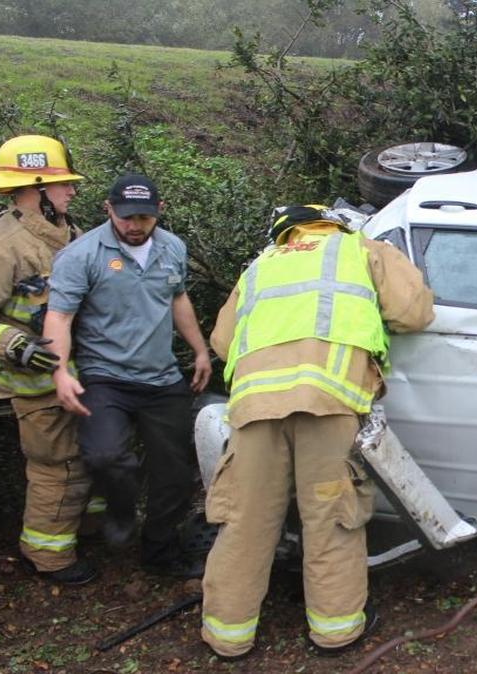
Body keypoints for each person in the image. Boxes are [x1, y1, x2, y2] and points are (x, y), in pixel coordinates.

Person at [199, 204, 434, 659]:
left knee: (245, 521)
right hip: (328, 406)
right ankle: (336, 632)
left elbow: (223, 343)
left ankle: (227, 638)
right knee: (331, 518)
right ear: (335, 224)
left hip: (255, 409)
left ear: (283, 234)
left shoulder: (258, 269)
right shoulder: (363, 250)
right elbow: (415, 313)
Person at [0, 134, 97, 585]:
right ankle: (47, 556)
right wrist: (16, 346)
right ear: (34, 187)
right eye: (62, 183)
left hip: (83, 376)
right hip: (37, 385)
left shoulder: (69, 234)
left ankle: (84, 531)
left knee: (89, 458)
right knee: (59, 466)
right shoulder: (0, 245)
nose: (71, 191)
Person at [43, 173, 211, 578]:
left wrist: (200, 350)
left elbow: (178, 297)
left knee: (174, 474)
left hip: (161, 378)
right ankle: (120, 510)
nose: (135, 226)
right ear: (108, 210)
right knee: (105, 455)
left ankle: (159, 553)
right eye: (126, 217)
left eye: (144, 218)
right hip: (105, 377)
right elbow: (59, 316)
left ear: (159, 213)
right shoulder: (81, 255)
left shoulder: (172, 248)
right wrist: (60, 371)